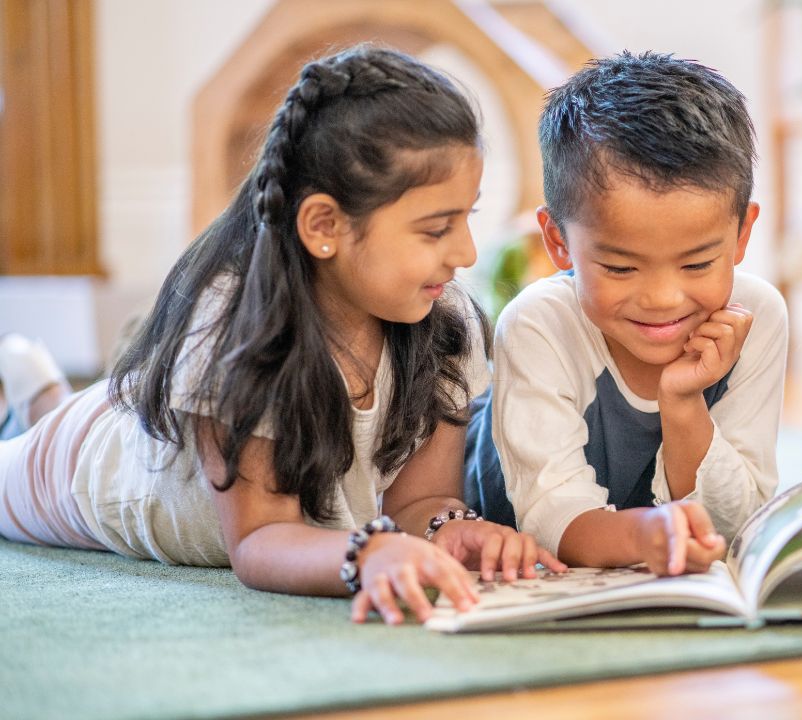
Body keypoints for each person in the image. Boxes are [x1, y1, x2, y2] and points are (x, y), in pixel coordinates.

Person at [0, 46, 564, 625]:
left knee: (56, 414)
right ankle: (39, 405)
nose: (465, 252)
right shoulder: (236, 327)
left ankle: (38, 394)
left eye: (467, 218)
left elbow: (414, 504)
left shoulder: (444, 322)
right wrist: (367, 551)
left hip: (143, 426)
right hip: (98, 471)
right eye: (435, 229)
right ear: (324, 226)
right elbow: (261, 539)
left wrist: (452, 529)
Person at [465, 52, 788, 576]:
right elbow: (550, 517)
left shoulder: (756, 316)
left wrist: (683, 403)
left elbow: (737, 522)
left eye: (698, 262)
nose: (663, 298)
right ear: (558, 241)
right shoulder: (538, 324)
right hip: (504, 523)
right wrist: (653, 535)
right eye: (619, 268)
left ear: (743, 233)